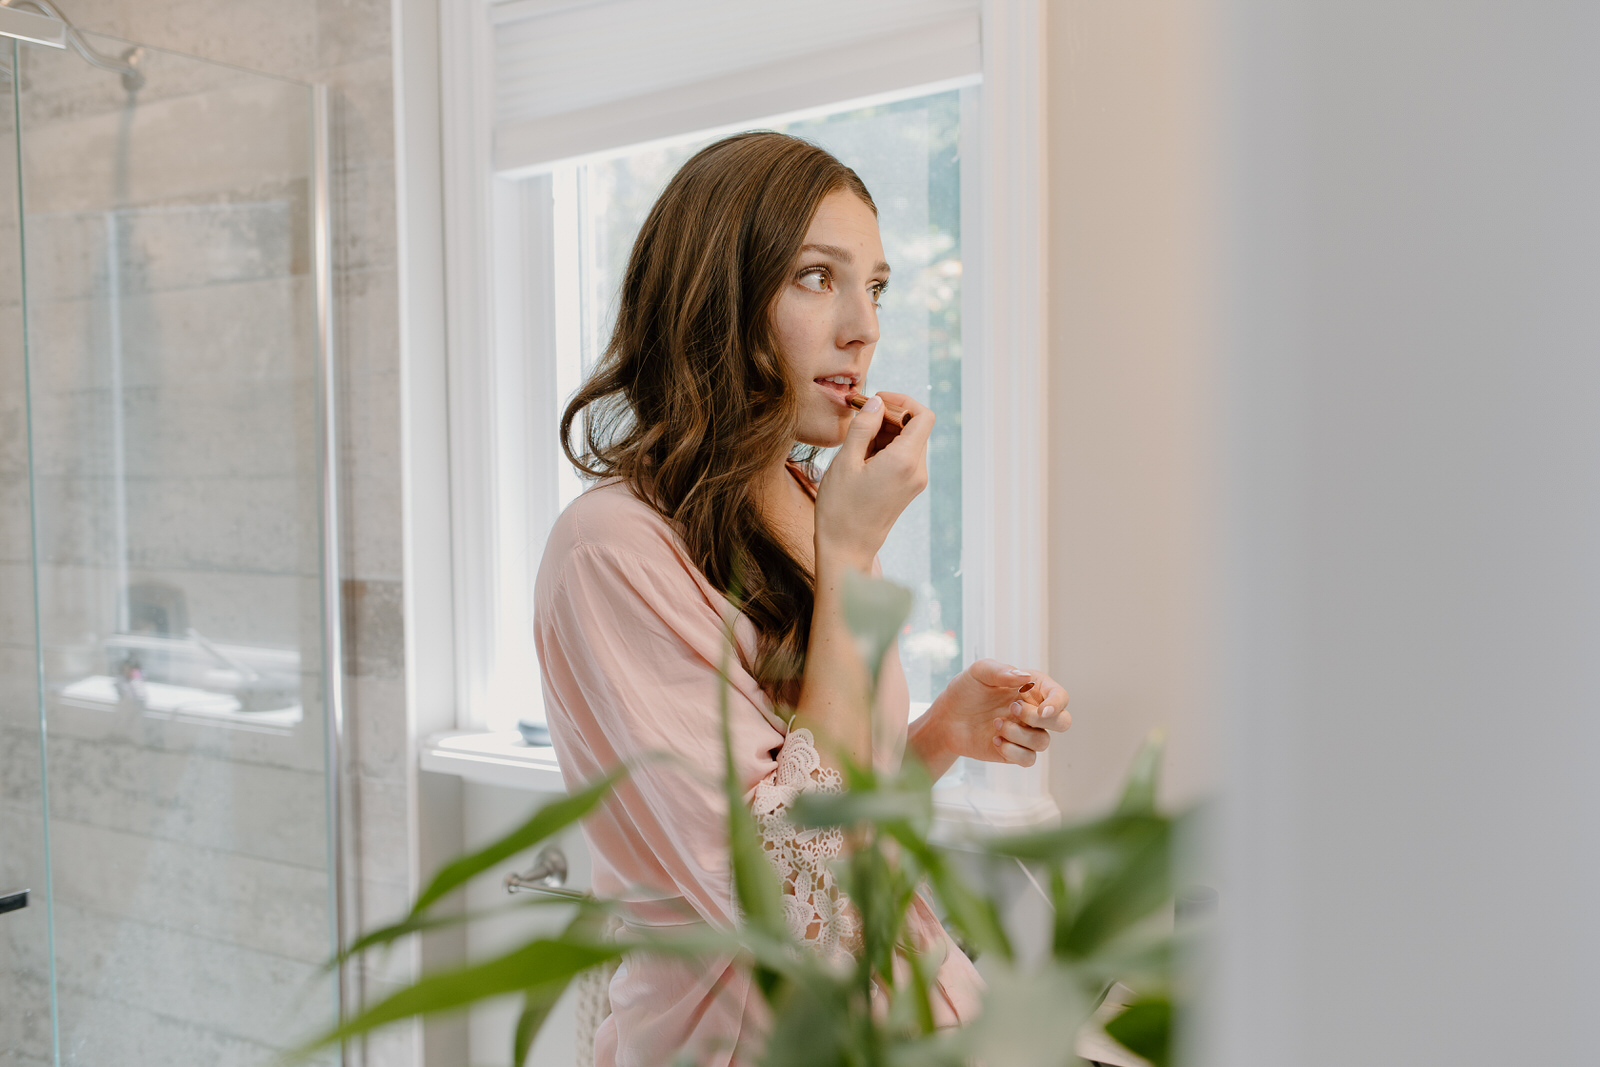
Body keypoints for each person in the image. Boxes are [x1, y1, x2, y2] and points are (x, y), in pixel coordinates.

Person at [535, 131, 1070, 1067]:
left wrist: (941, 734)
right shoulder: (610, 552)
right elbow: (798, 910)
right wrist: (855, 554)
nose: (863, 326)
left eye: (877, 286)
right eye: (818, 277)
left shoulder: (808, 505)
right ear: (718, 298)